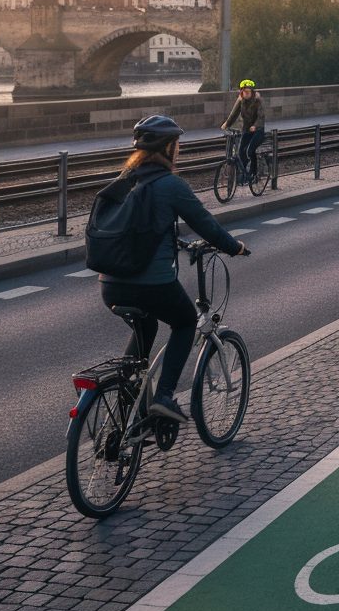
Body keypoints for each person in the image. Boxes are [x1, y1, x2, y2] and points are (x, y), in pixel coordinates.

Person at [99, 116, 248, 422]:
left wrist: (176, 242)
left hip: (110, 283)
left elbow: (147, 228)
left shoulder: (125, 180)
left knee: (147, 326)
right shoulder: (170, 184)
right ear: (168, 148)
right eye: (176, 144)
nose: (178, 149)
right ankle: (164, 396)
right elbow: (206, 225)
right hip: (151, 284)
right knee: (183, 322)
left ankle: (130, 400)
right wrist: (235, 247)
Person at [221, 79, 265, 184]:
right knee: (241, 152)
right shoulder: (241, 100)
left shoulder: (258, 101)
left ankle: (253, 174)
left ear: (252, 92)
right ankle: (245, 174)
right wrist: (226, 124)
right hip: (247, 130)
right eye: (244, 92)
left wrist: (255, 126)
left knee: (250, 151)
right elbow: (234, 114)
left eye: (248, 92)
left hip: (258, 130)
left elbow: (261, 117)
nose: (246, 94)